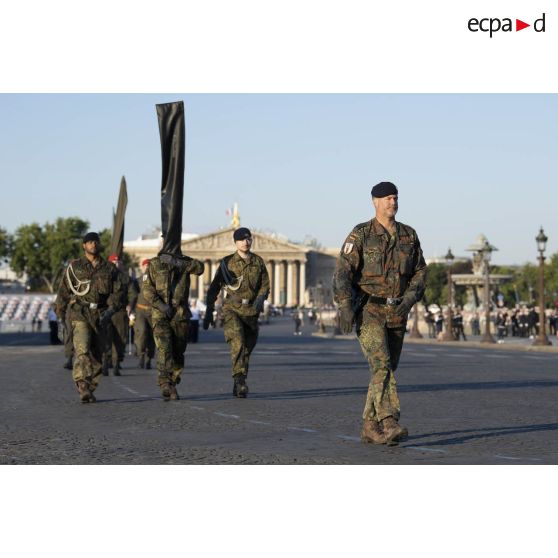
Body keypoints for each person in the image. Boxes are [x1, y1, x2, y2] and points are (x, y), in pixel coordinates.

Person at [333, 181, 427, 445]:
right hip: (369, 309)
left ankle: (369, 426)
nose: (392, 202)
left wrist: (409, 299)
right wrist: (344, 306)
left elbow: (420, 270)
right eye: (387, 198)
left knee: (384, 370)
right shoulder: (360, 234)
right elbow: (343, 272)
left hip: (398, 309)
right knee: (382, 364)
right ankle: (389, 421)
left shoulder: (409, 235)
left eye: (395, 198)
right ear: (375, 202)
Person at [56, 232, 125, 403]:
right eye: (89, 242)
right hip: (80, 312)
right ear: (84, 246)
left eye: (95, 242)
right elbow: (63, 292)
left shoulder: (109, 269)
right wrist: (60, 318)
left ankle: (89, 386)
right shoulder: (75, 267)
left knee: (97, 357)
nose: (93, 245)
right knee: (82, 350)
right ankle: (82, 384)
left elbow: (119, 292)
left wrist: (110, 311)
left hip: (100, 315)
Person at [203, 227, 270, 398]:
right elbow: (214, 287)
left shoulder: (258, 262)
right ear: (235, 242)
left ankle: (238, 380)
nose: (246, 242)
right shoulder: (227, 263)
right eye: (242, 239)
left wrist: (259, 301)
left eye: (248, 239)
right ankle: (240, 380)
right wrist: (209, 311)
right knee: (238, 341)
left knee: (247, 347)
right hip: (232, 308)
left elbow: (265, 285)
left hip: (251, 311)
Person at [142, 251, 205, 401]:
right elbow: (147, 289)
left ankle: (172, 381)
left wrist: (177, 262)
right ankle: (164, 382)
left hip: (180, 314)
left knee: (178, 351)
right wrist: (161, 306)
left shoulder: (185, 262)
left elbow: (200, 268)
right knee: (164, 347)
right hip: (160, 313)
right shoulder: (154, 263)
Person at [133, 259, 155, 369]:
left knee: (152, 336)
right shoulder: (137, 281)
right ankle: (141, 354)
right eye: (145, 266)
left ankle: (149, 358)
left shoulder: (157, 282)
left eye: (149, 266)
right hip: (140, 310)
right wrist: (131, 310)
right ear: (142, 268)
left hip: (153, 311)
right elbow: (132, 296)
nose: (147, 268)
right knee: (141, 332)